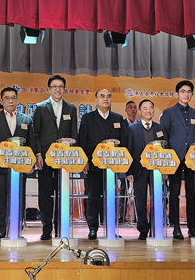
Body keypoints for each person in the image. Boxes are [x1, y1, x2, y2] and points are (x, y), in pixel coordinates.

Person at [0, 87, 37, 242]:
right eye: (7, 98)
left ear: (17, 100)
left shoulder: (26, 119)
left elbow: (31, 143)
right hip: (0, 166)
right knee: (0, 199)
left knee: (19, 198)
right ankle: (1, 231)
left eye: (13, 98)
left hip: (20, 167)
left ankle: (17, 229)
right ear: (1, 101)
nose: (10, 101)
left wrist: (31, 164)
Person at [32, 75, 78, 240]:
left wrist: (73, 155)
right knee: (45, 193)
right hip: (45, 157)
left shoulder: (71, 108)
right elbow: (36, 133)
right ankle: (46, 228)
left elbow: (74, 134)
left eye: (60, 86)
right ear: (49, 89)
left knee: (62, 193)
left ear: (64, 89)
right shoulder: (40, 108)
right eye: (54, 86)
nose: (57, 89)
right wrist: (38, 154)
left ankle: (60, 227)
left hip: (64, 159)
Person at [78, 89, 127, 239]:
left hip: (112, 165)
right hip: (93, 164)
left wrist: (123, 163)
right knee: (92, 197)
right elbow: (82, 141)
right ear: (96, 99)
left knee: (110, 196)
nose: (106, 99)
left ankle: (110, 227)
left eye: (108, 96)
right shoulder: (87, 118)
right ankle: (92, 228)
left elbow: (123, 143)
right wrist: (84, 161)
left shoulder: (118, 118)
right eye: (102, 96)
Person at [160, 80, 195, 239]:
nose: (186, 94)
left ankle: (192, 227)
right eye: (183, 91)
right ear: (177, 93)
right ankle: (175, 227)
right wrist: (167, 158)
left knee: (192, 194)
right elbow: (164, 136)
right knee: (174, 193)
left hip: (192, 158)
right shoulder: (168, 112)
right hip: (174, 157)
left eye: (189, 92)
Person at [125, 99, 168, 239]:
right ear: (140, 111)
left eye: (150, 108)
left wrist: (165, 171)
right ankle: (143, 229)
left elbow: (166, 150)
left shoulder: (160, 128)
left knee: (157, 200)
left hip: (157, 171)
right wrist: (129, 172)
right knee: (140, 201)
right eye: (145, 108)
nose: (148, 111)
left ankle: (156, 227)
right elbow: (129, 151)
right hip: (139, 170)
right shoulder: (132, 129)